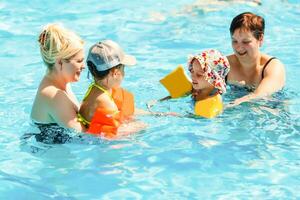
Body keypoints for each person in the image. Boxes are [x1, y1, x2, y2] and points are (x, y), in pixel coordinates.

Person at [30, 23, 85, 143]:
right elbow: (86, 136)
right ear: (60, 62)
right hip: (50, 153)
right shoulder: (53, 95)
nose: (83, 66)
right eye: (79, 61)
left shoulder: (63, 84)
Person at [78, 40, 143, 138]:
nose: (124, 73)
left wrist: (155, 114)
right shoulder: (104, 101)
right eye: (123, 69)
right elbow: (112, 136)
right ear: (115, 73)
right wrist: (141, 126)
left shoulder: (97, 89)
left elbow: (126, 112)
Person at [225, 12, 286, 106]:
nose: (239, 47)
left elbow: (260, 95)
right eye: (235, 41)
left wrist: (230, 105)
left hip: (270, 108)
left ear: (260, 39)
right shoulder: (225, 65)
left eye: (246, 42)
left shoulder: (273, 66)